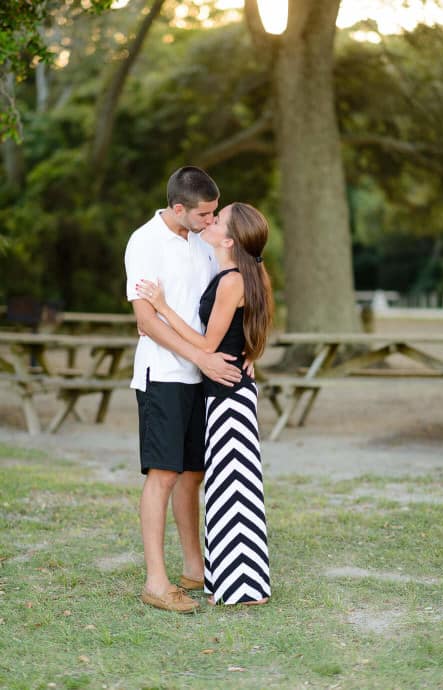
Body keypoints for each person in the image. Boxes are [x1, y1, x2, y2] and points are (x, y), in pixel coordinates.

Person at [137, 202, 274, 606]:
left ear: (229, 240)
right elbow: (256, 323)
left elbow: (206, 345)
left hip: (227, 392)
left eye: (219, 219)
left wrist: (162, 309)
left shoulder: (232, 280)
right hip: (230, 389)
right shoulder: (247, 273)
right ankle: (236, 581)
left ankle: (241, 588)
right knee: (234, 486)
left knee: (233, 488)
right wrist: (251, 350)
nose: (211, 221)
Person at [125, 166, 243, 613]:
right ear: (179, 209)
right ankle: (157, 581)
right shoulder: (144, 242)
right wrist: (201, 358)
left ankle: (195, 568)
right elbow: (146, 320)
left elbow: (230, 296)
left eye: (215, 214)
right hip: (164, 374)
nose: (212, 222)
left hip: (202, 375)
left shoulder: (203, 241)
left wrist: (247, 347)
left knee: (193, 472)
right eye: (206, 214)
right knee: (164, 474)